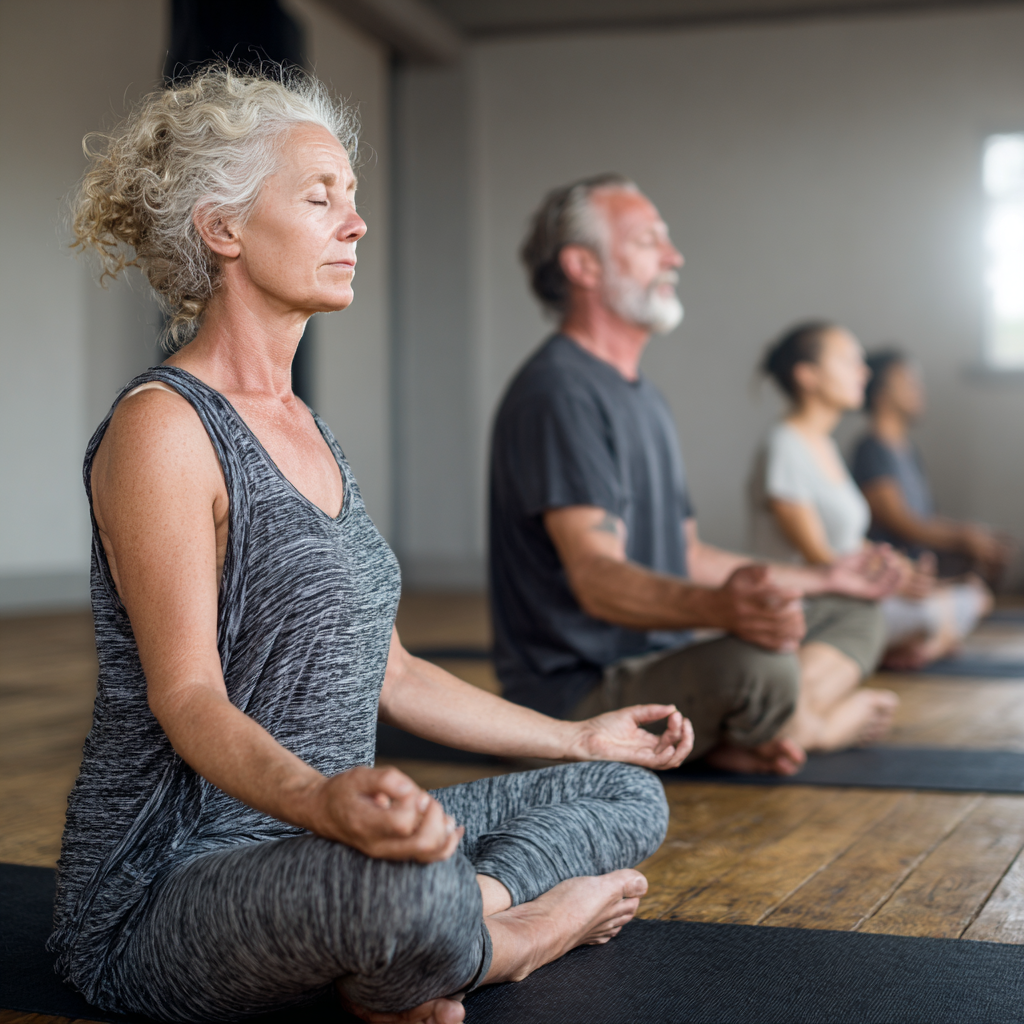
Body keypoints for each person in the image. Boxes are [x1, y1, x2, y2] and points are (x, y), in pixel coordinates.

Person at [51, 69, 694, 1024]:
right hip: (167, 891)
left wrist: (579, 736)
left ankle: (447, 931)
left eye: (354, 201)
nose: (355, 225)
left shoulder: (310, 429)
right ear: (222, 229)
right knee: (393, 891)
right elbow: (185, 698)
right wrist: (325, 806)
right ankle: (513, 937)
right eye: (320, 199)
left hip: (333, 843)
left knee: (623, 794)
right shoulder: (164, 429)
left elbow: (390, 671)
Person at [489, 175, 902, 777]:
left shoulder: (645, 397)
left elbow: (684, 553)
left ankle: (765, 726)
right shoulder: (559, 393)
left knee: (855, 609)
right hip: (580, 694)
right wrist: (723, 611)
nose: (673, 256)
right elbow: (597, 579)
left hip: (662, 659)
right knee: (763, 668)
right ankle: (797, 725)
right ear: (583, 265)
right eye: (647, 240)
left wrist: (823, 577)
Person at [751, 322, 991, 670]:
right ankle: (902, 647)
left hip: (848, 594)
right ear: (808, 376)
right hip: (817, 608)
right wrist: (890, 581)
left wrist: (898, 568)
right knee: (962, 601)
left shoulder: (824, 445)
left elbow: (847, 543)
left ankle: (900, 647)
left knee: (966, 595)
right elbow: (820, 559)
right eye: (848, 361)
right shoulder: (784, 445)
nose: (863, 372)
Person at [852, 349, 1012, 583]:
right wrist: (964, 537)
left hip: (925, 558)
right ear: (881, 393)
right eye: (909, 382)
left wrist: (973, 533)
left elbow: (928, 516)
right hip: (899, 566)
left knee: (998, 547)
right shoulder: (871, 451)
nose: (919, 390)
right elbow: (902, 522)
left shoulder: (908, 450)